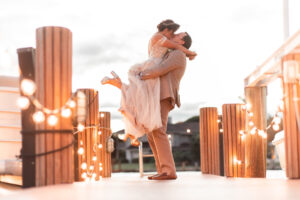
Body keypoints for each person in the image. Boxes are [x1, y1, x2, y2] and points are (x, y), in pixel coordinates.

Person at [101, 20, 196, 147]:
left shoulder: (176, 53)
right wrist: (190, 53)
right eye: (174, 32)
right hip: (152, 67)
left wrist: (189, 53)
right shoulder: (161, 39)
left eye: (178, 34)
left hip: (160, 82)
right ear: (167, 29)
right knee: (141, 98)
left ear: (182, 41)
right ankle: (133, 131)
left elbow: (162, 68)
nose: (175, 34)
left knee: (142, 101)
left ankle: (133, 131)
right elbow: (171, 52)